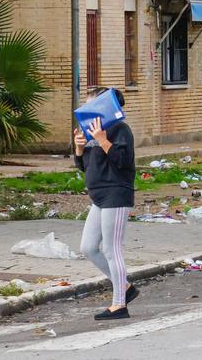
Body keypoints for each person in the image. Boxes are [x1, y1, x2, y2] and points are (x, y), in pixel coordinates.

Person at [74, 88, 139, 321]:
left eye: (92, 106)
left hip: (116, 193)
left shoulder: (120, 129)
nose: (88, 111)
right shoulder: (90, 131)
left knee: (112, 249)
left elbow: (123, 161)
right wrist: (79, 149)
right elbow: (85, 166)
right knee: (88, 247)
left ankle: (119, 305)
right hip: (98, 196)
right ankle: (125, 287)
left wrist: (102, 140)